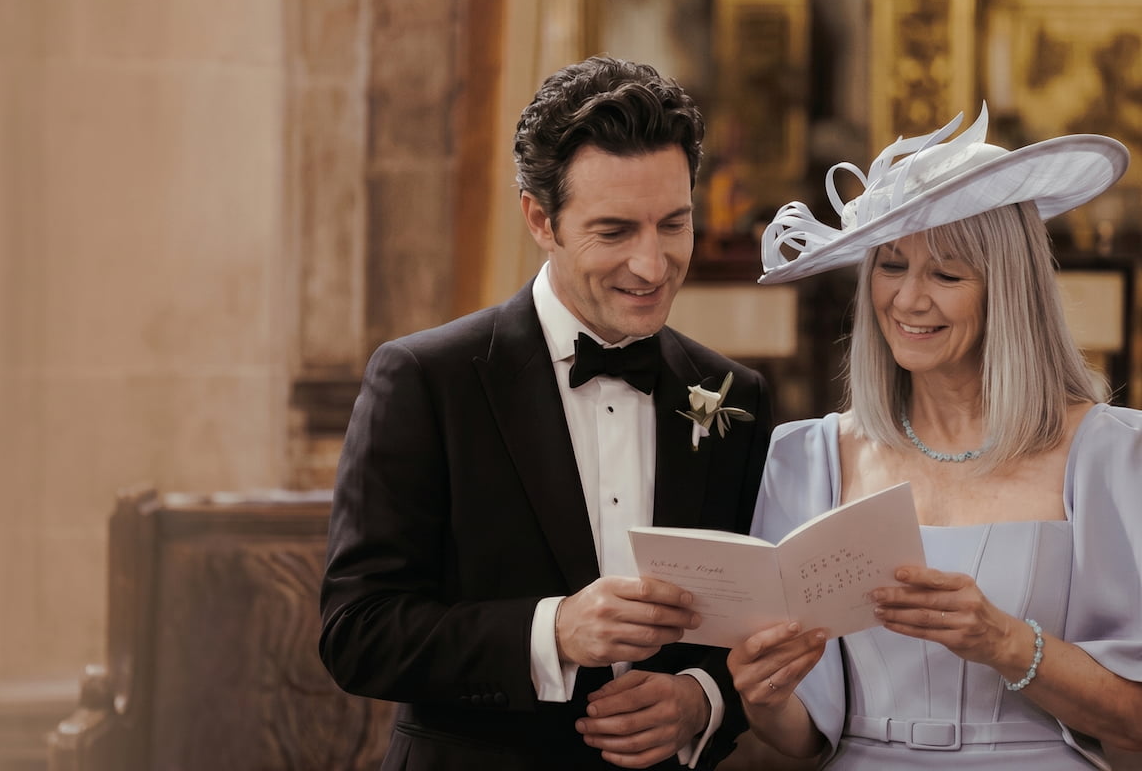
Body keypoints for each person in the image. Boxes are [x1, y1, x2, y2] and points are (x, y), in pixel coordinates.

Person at [318, 56, 772, 770]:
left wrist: (701, 699)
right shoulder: (424, 379)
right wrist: (553, 631)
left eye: (673, 225)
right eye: (615, 231)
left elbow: (760, 620)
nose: (652, 266)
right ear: (540, 218)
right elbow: (357, 633)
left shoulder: (733, 393)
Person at [728, 104, 1142, 769]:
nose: (908, 300)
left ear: (1009, 292)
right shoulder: (808, 459)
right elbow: (803, 740)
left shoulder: (1111, 455)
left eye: (946, 275)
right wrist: (764, 698)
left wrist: (1005, 643)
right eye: (891, 267)